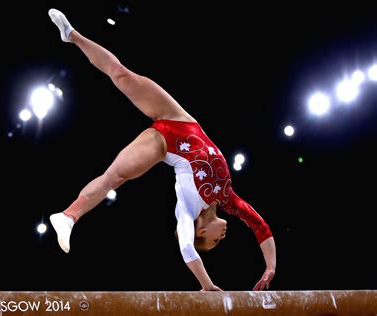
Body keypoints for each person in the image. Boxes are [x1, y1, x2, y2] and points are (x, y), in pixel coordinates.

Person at [47, 8, 276, 291]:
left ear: (201, 232)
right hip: (179, 118)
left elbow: (186, 246)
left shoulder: (187, 210)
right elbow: (260, 227)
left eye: (215, 241)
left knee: (115, 177)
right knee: (121, 75)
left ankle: (69, 216)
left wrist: (206, 285)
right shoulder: (228, 199)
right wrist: (270, 268)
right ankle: (72, 35)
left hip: (163, 143)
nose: (224, 237)